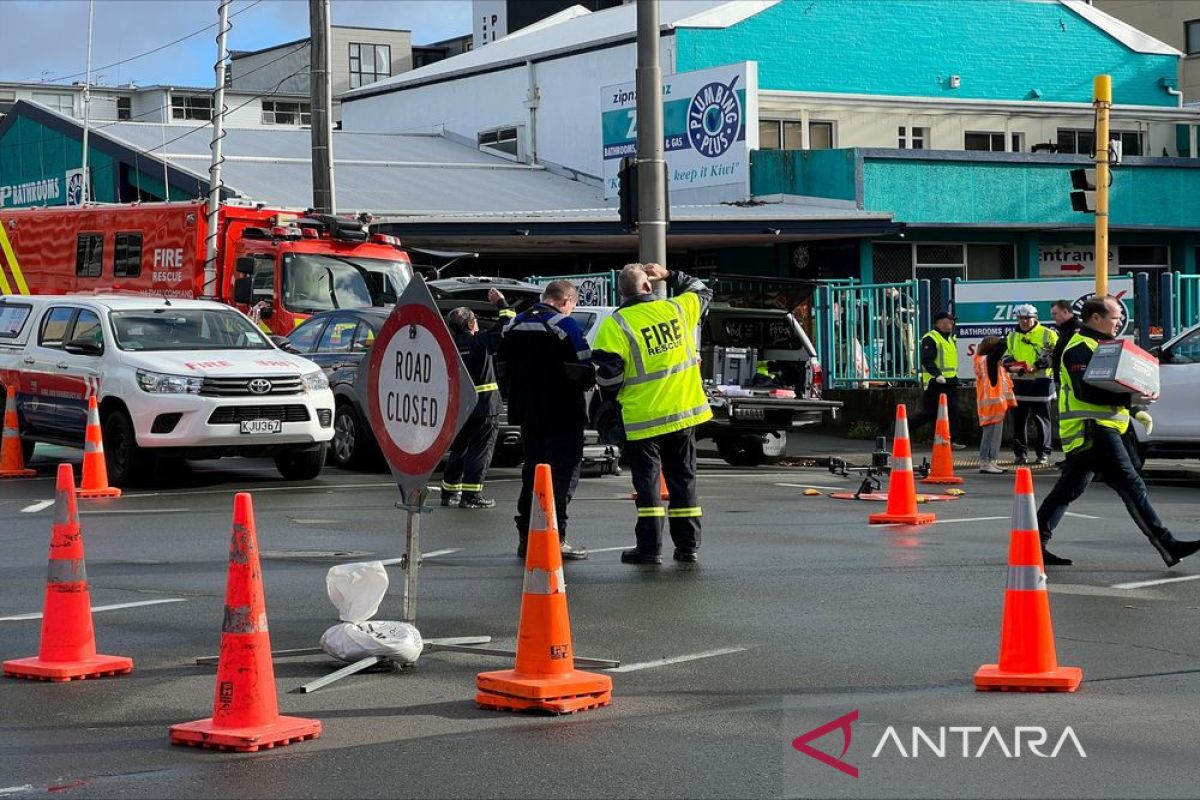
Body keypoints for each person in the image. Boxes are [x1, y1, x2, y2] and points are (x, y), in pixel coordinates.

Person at [1036, 294, 1200, 567]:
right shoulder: (1080, 347)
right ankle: (1168, 545)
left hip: (1101, 430)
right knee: (1131, 485)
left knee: (1068, 491)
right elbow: (1085, 391)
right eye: (1115, 317)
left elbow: (1110, 386)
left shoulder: (1103, 345)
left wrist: (1136, 410)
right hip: (1092, 431)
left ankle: (1033, 544)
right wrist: (1131, 401)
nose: (1119, 321)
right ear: (1096, 318)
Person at [593, 263, 713, 565]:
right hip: (682, 414)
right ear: (648, 286)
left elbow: (607, 378)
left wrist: (612, 403)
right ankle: (688, 547)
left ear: (622, 292)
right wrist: (671, 274)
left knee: (646, 487)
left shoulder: (616, 324)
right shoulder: (677, 310)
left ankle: (649, 549)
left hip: (642, 418)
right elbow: (703, 289)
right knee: (683, 480)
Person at [499, 280, 592, 561]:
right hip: (563, 412)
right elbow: (584, 367)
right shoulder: (565, 325)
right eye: (573, 305)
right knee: (560, 477)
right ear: (566, 301)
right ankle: (556, 537)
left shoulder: (512, 325)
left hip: (527, 413)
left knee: (533, 474)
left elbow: (501, 366)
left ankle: (526, 538)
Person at [439, 289, 514, 509]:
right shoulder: (480, 342)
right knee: (480, 450)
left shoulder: (449, 349)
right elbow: (508, 323)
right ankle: (471, 495)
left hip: (461, 407)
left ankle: (449, 492)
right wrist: (501, 301)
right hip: (485, 406)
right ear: (472, 325)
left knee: (459, 448)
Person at [1002, 304, 1058, 465]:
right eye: (1021, 318)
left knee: (1042, 421)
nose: (1024, 321)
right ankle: (1020, 454)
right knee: (1019, 422)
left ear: (1035, 318)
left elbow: (1054, 356)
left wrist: (1037, 366)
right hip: (1019, 384)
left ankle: (1043, 454)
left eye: (1027, 318)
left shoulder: (1048, 334)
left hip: (1041, 384)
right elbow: (1007, 356)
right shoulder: (1012, 336)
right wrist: (1011, 365)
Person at [909, 311, 963, 447]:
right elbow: (927, 360)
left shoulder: (950, 339)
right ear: (940, 322)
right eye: (949, 320)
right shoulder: (931, 338)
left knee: (953, 412)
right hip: (936, 383)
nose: (952, 323)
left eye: (952, 321)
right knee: (930, 413)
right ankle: (903, 428)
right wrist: (937, 374)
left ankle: (951, 439)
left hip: (950, 382)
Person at [973, 336, 1016, 475]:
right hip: (991, 405)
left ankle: (991, 461)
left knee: (993, 435)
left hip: (994, 405)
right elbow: (1001, 346)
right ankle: (986, 462)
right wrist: (1007, 336)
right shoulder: (988, 361)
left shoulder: (986, 362)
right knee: (990, 435)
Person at [1049, 299, 1079, 390]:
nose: (1052, 317)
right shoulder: (1064, 329)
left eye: (1055, 314)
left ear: (1065, 312)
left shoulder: (1078, 329)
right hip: (1063, 381)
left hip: (1071, 382)